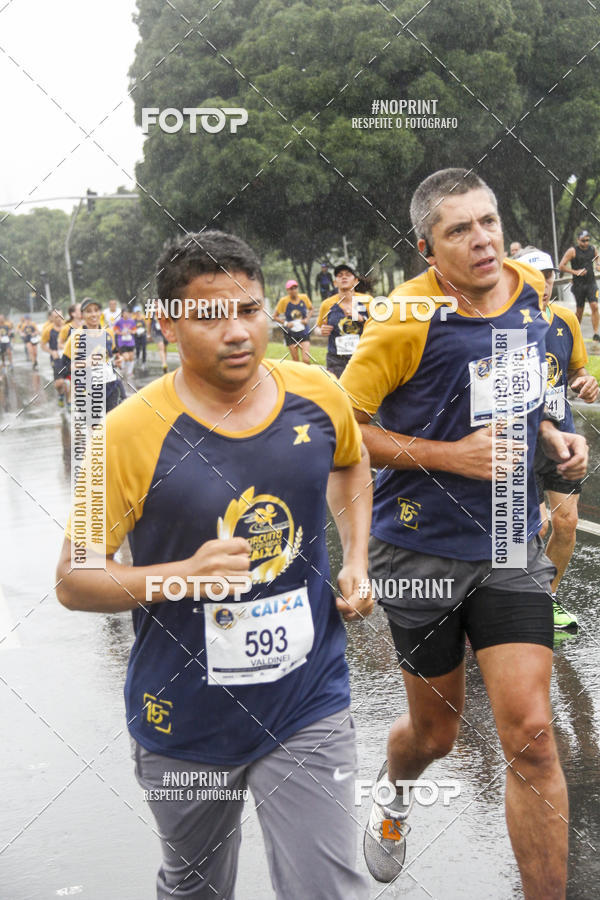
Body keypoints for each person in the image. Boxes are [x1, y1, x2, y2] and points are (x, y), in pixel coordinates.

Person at [56, 230, 373, 900]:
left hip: (306, 701)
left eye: (250, 310)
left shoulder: (318, 394)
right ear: (167, 324)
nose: (237, 333)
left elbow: (352, 462)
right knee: (195, 888)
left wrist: (357, 561)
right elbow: (73, 578)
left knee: (330, 890)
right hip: (184, 717)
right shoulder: (126, 432)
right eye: (210, 317)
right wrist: (181, 576)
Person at [340, 168, 588, 897]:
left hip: (511, 543)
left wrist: (553, 435)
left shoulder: (530, 293)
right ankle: (393, 790)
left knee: (534, 739)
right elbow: (343, 432)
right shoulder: (401, 319)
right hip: (419, 548)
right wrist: (452, 457)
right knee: (436, 735)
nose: (482, 240)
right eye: (459, 230)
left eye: (489, 221)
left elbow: (521, 385)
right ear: (427, 247)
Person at [514, 247, 599, 631]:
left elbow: (576, 372)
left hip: (562, 437)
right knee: (532, 527)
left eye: (548, 276)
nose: (543, 284)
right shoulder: (502, 322)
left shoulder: (566, 318)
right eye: (534, 277)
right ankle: (501, 604)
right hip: (518, 439)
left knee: (565, 523)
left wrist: (586, 382)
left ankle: (545, 598)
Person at [61, 297, 125, 413]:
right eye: (89, 311)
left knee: (114, 426)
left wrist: (118, 360)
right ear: (82, 315)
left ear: (100, 312)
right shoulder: (76, 337)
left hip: (111, 386)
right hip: (88, 389)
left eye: (96, 310)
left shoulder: (108, 333)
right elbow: (64, 368)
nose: (93, 314)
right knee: (96, 429)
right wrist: (86, 362)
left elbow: (115, 354)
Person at [316, 264, 372, 377]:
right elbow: (317, 328)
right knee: (340, 392)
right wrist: (321, 331)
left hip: (363, 356)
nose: (344, 277)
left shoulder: (368, 301)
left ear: (355, 281)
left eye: (348, 275)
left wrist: (361, 318)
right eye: (340, 275)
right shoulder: (327, 304)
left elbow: (379, 327)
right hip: (336, 359)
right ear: (335, 283)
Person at [559, 230, 600, 341]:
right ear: (578, 240)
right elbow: (561, 266)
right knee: (580, 310)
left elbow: (597, 258)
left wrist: (598, 265)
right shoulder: (572, 251)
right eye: (583, 241)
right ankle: (575, 332)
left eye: (587, 240)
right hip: (578, 285)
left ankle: (596, 333)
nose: (585, 243)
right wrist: (575, 272)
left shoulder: (592, 249)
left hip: (591, 283)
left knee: (595, 306)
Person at [273, 279, 313, 363]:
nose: (294, 290)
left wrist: (307, 319)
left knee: (306, 359)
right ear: (287, 290)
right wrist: (286, 323)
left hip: (303, 331)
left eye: (295, 288)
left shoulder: (304, 297)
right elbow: (275, 317)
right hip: (290, 333)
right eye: (291, 289)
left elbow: (311, 309)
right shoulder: (283, 301)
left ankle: (306, 376)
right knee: (295, 360)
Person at [113, 307, 137, 382]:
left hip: (130, 342)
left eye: (128, 313)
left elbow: (134, 330)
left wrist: (131, 331)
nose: (126, 314)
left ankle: (129, 373)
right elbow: (115, 330)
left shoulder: (132, 321)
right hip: (122, 342)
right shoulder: (119, 322)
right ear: (122, 314)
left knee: (131, 358)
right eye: (125, 313)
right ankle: (121, 369)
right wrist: (121, 333)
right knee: (126, 357)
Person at [149, 305, 169, 373]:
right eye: (155, 305)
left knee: (165, 348)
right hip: (156, 332)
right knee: (161, 347)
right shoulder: (152, 312)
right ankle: (163, 363)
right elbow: (149, 323)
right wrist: (149, 333)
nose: (156, 306)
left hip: (164, 331)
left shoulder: (165, 311)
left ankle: (165, 362)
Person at [133, 305, 148, 369]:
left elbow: (147, 326)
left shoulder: (144, 318)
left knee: (144, 349)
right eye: (136, 312)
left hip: (143, 335)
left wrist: (145, 331)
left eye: (138, 311)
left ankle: (144, 362)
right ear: (135, 312)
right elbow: (132, 327)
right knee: (137, 348)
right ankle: (137, 358)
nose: (138, 313)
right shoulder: (133, 319)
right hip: (136, 336)